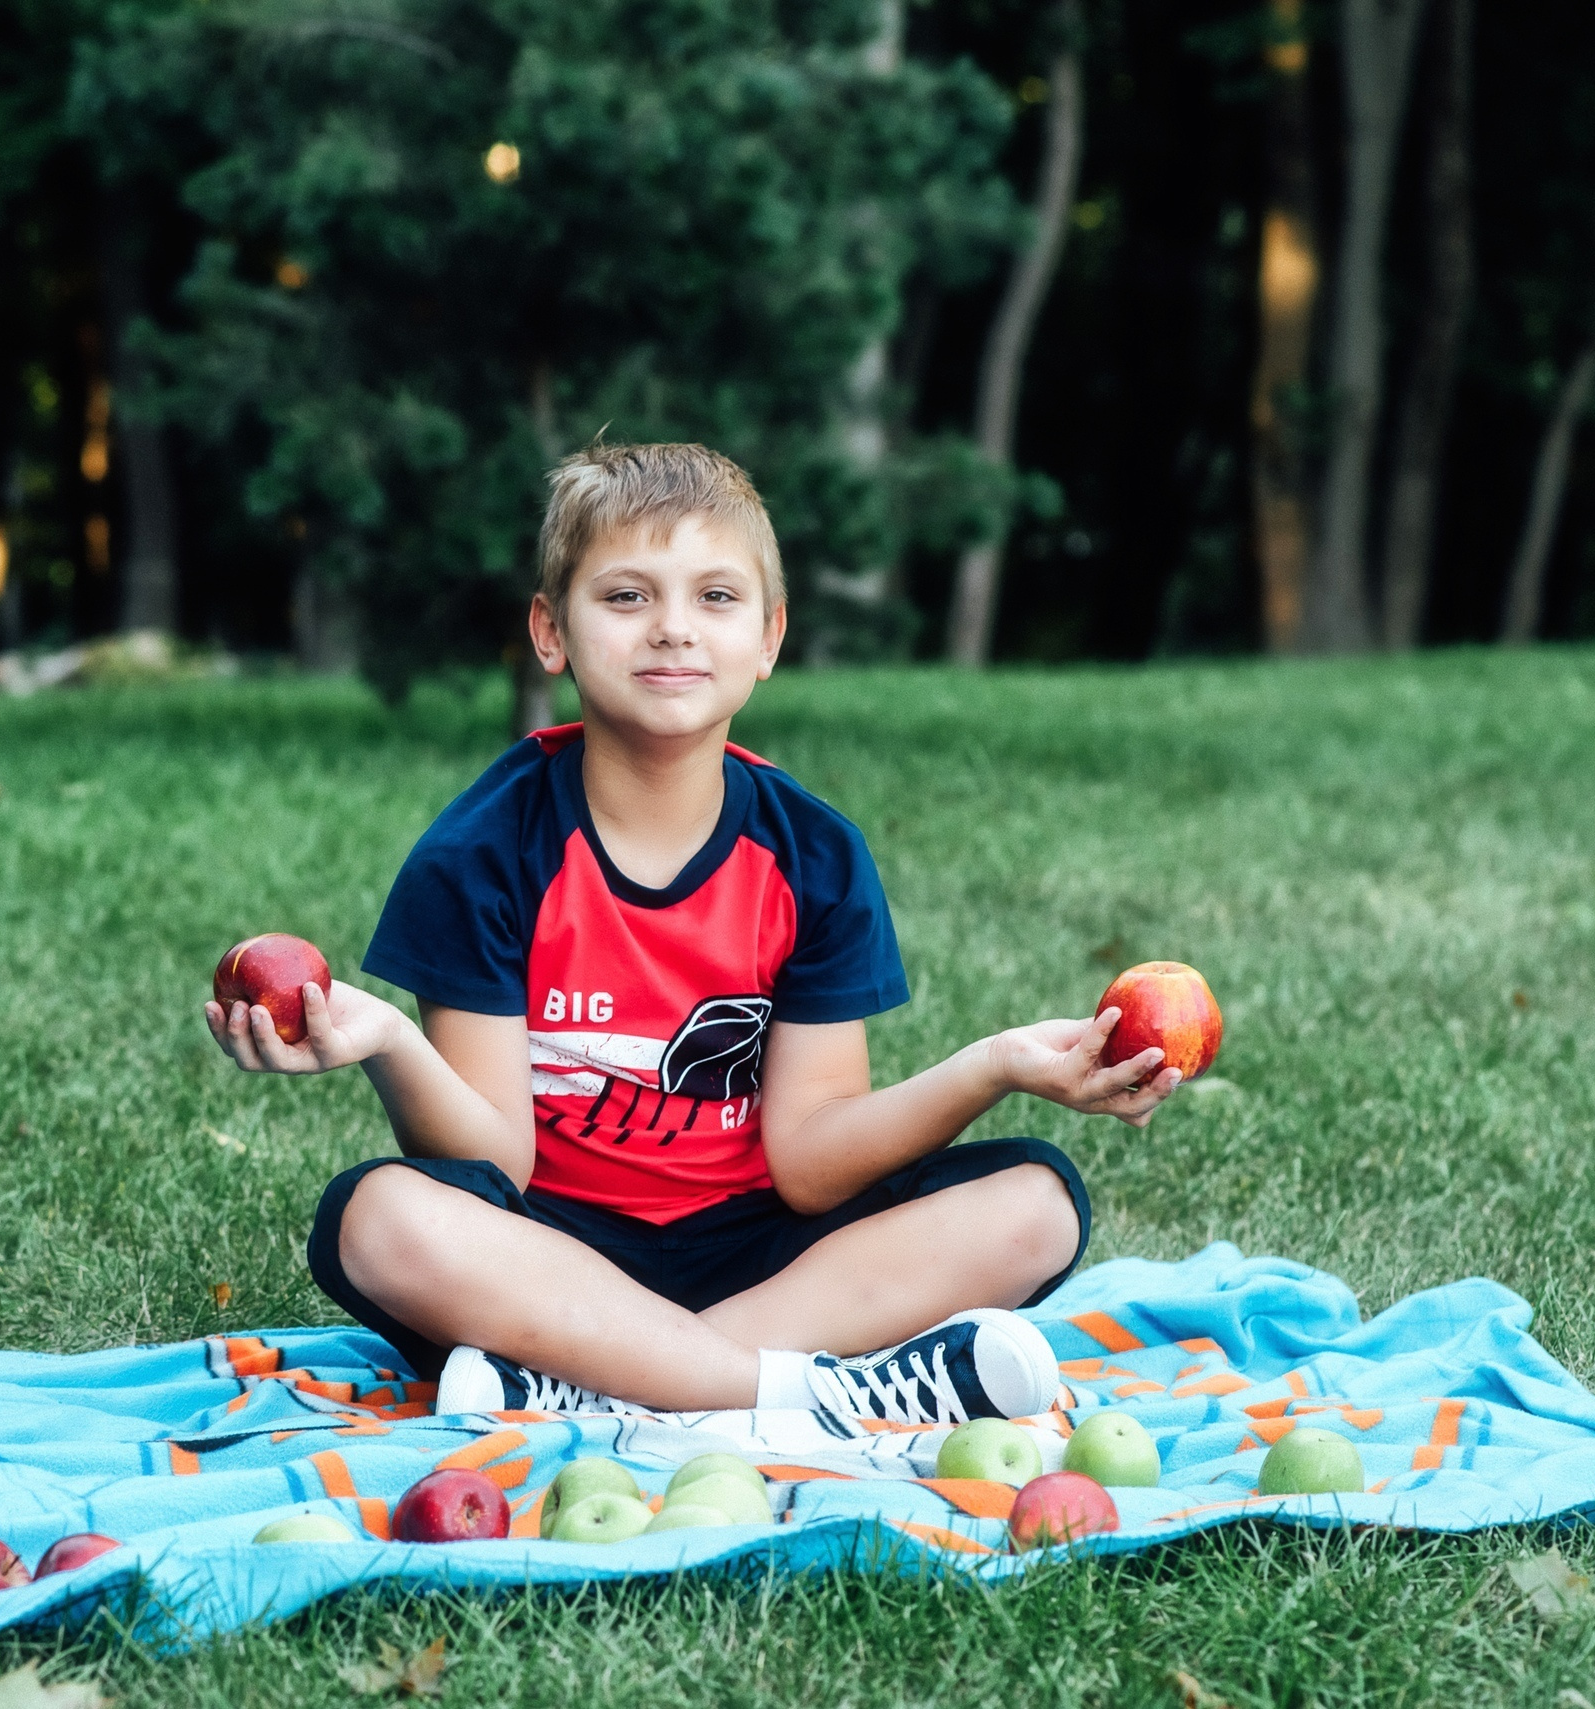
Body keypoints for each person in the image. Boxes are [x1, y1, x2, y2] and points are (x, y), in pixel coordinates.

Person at [205, 443, 1180, 1429]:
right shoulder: (481, 853)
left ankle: (601, 1386)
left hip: (768, 1258)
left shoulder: (813, 856)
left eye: (716, 596)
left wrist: (995, 1064)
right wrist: (390, 1043)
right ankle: (806, 1394)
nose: (673, 626)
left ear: (768, 636)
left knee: (1037, 1202)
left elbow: (810, 1161)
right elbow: (499, 1163)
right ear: (551, 631)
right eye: (626, 596)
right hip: (550, 1259)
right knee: (377, 1220)